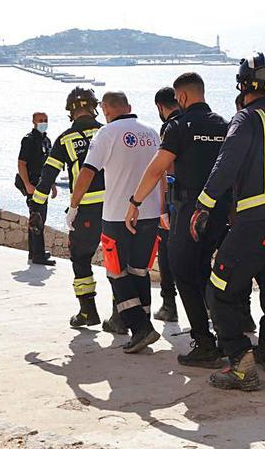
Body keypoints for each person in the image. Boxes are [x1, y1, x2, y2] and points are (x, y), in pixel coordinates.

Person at [193, 53, 265, 391]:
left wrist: (203, 205)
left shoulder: (246, 119)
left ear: (242, 86)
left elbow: (227, 164)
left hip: (257, 220)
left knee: (220, 289)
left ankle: (241, 362)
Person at [127, 72, 238, 369]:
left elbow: (156, 169)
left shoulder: (178, 126)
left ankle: (204, 343)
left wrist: (135, 202)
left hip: (190, 208)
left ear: (183, 97)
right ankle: (227, 338)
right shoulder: (225, 124)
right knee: (204, 270)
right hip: (220, 208)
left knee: (183, 271)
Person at [70, 91, 162, 353]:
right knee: (139, 270)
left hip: (117, 215)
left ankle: (141, 328)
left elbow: (87, 172)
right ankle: (143, 323)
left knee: (116, 272)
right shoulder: (151, 132)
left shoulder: (107, 133)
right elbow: (162, 172)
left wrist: (74, 206)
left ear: (106, 110)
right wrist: (163, 209)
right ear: (128, 106)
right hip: (150, 211)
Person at [31, 88, 121, 332]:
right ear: (94, 107)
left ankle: (87, 311)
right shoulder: (109, 131)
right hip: (116, 207)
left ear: (70, 111)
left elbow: (47, 176)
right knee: (117, 260)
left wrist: (36, 207)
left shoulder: (65, 139)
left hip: (86, 209)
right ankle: (120, 316)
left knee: (81, 258)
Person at [152, 87, 180, 322]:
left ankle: (169, 305)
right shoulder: (199, 122)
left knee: (166, 254)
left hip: (173, 199)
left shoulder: (170, 128)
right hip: (202, 199)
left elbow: (165, 169)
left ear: (161, 107)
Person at [17, 112, 57, 266]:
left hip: (44, 184)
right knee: (37, 219)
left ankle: (34, 252)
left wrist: (52, 184)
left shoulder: (46, 141)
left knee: (39, 217)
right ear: (33, 121)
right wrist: (27, 184)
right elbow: (21, 163)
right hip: (33, 184)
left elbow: (49, 166)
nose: (43, 122)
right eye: (40, 120)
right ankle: (38, 255)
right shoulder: (29, 140)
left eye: (45, 120)